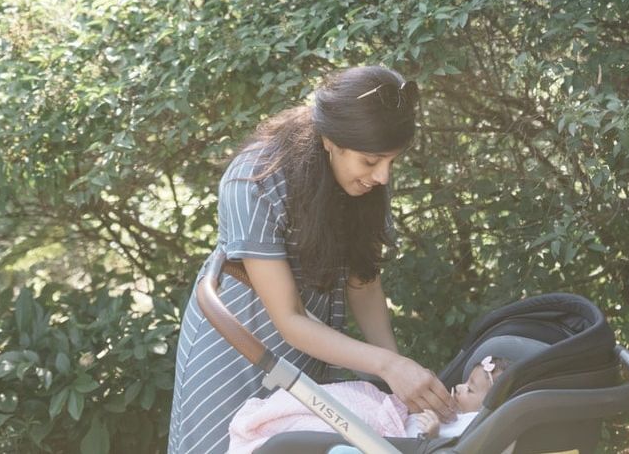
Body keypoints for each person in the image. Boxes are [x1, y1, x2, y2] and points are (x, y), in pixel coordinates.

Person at [167, 65, 454, 454]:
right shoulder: (254, 178)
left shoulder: (364, 183)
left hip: (310, 346)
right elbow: (289, 318)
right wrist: (388, 367)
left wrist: (397, 379)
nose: (384, 176)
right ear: (331, 140)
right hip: (235, 346)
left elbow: (364, 284)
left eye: (391, 162)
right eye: (371, 161)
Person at [226, 355, 505, 453]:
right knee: (350, 398)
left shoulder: (472, 426)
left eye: (469, 389)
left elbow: (438, 448)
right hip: (388, 413)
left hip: (393, 441)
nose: (457, 387)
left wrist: (430, 434)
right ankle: (273, 415)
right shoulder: (455, 412)